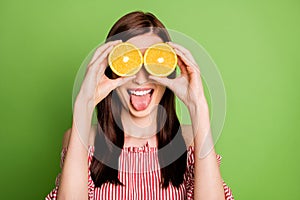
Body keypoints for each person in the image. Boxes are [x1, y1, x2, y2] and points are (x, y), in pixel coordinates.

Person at [45, 11, 234, 200]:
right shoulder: (83, 139)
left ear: (168, 72)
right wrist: (84, 104)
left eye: (152, 63)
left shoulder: (191, 140)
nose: (140, 79)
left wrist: (198, 105)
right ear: (111, 70)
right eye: (129, 62)